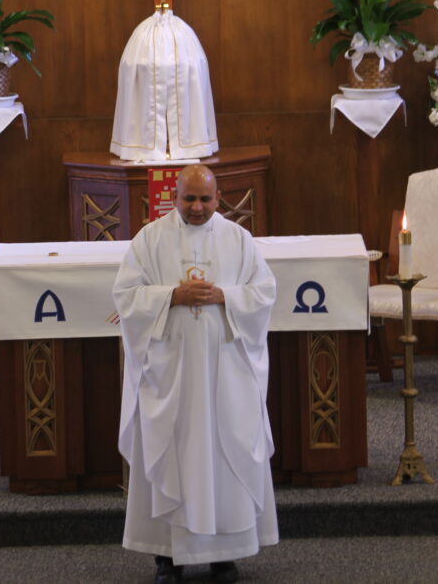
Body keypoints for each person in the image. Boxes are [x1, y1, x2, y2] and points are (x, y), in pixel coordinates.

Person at [113, 165, 278, 584]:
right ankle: (167, 558)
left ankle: (226, 555)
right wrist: (173, 295)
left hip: (226, 374)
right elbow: (126, 298)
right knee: (171, 454)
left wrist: (225, 295)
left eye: (206, 199)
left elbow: (263, 293)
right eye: (189, 198)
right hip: (172, 376)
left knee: (227, 453)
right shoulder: (149, 240)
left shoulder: (238, 240)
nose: (198, 207)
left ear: (219, 197)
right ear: (174, 197)